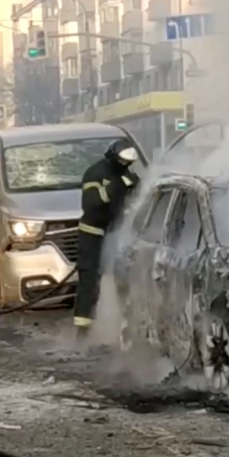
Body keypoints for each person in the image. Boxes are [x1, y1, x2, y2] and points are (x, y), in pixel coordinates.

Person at [74, 138, 140, 337]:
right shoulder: (95, 173)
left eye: (128, 164)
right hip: (92, 235)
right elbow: (91, 202)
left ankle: (120, 326)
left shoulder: (125, 174)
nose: (125, 166)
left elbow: (135, 196)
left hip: (115, 235)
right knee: (90, 281)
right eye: (122, 162)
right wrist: (116, 186)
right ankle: (82, 333)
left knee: (122, 279)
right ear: (113, 156)